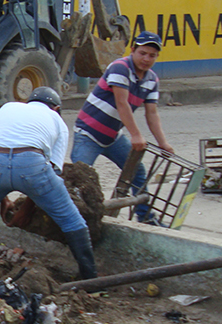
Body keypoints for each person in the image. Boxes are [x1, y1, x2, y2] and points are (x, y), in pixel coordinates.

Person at [0, 86, 96, 283]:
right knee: (72, 220)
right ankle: (93, 283)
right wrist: (26, 209)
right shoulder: (57, 120)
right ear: (56, 108)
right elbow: (52, 172)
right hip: (30, 163)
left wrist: (2, 198)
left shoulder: (7, 108)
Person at [71, 31, 174, 225]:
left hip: (112, 136)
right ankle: (76, 222)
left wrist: (163, 143)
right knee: (81, 177)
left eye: (152, 55)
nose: (146, 59)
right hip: (88, 133)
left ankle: (145, 218)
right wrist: (136, 135)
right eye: (142, 53)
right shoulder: (120, 67)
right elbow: (122, 103)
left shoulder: (152, 79)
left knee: (138, 172)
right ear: (133, 50)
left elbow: (151, 113)